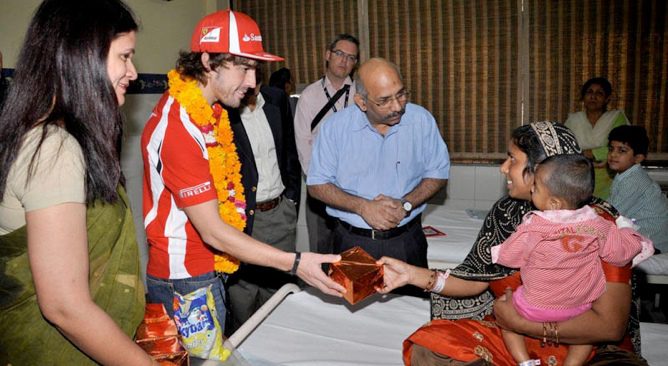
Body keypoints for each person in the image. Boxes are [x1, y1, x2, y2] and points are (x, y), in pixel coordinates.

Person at [141, 9, 344, 337]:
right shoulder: (180, 126)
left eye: (256, 69)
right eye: (244, 68)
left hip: (209, 272)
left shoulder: (212, 113)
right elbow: (214, 233)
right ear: (208, 61)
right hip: (185, 282)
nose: (252, 83)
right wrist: (295, 263)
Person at [378, 122, 647, 365]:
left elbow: (610, 327)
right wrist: (411, 274)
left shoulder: (597, 222)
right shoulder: (506, 214)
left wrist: (521, 323)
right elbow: (476, 279)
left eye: (512, 159)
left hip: (586, 348)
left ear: (541, 170)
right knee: (429, 346)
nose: (503, 168)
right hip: (515, 342)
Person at [0, 0, 157, 364]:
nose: (133, 72)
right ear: (83, 57)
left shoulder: (48, 133)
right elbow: (64, 307)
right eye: (125, 56)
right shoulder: (53, 148)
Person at [491, 154, 652, 366]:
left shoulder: (534, 225)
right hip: (577, 311)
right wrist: (626, 229)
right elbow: (621, 255)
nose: (532, 189)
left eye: (536, 187)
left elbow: (510, 257)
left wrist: (500, 250)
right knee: (587, 336)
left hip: (531, 308)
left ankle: (524, 362)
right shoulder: (599, 225)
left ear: (555, 203)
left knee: (504, 312)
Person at [308, 58, 450, 289]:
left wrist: (406, 204)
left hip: (406, 241)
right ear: (361, 102)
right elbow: (316, 184)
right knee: (354, 316)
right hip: (353, 244)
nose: (397, 106)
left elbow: (438, 173)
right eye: (384, 100)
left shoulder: (421, 121)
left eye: (401, 94)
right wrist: (362, 207)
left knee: (411, 316)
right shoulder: (335, 128)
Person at [226, 66, 302, 333]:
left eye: (255, 84)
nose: (250, 91)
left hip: (280, 213)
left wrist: (291, 199)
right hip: (245, 220)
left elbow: (289, 151)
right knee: (243, 297)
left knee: (278, 293)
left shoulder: (276, 99)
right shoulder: (224, 111)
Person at [294, 33, 360, 255]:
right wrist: (321, 183)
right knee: (322, 253)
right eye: (340, 54)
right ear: (328, 55)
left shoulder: (361, 95)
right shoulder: (310, 96)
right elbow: (303, 142)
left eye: (351, 57)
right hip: (320, 188)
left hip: (355, 189)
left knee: (352, 253)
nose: (344, 61)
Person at [607, 125, 668, 257]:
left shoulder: (635, 180)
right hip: (644, 237)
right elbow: (609, 207)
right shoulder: (624, 175)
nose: (613, 154)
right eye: (611, 149)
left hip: (653, 243)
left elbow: (611, 214)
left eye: (622, 151)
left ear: (638, 158)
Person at [565, 77, 629, 200]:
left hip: (609, 177)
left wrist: (591, 153)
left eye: (599, 93)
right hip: (579, 177)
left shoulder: (616, 118)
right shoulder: (574, 120)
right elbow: (566, 148)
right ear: (583, 97)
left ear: (607, 99)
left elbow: (623, 147)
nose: (593, 96)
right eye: (589, 92)